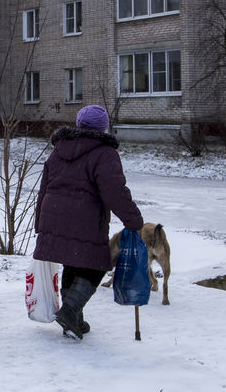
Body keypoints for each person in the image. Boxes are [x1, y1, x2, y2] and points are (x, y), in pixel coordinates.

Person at [33, 105, 144, 339]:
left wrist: (39, 222)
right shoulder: (104, 153)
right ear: (103, 127)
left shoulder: (59, 149)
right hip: (85, 219)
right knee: (96, 264)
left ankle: (74, 318)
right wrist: (133, 219)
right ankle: (71, 311)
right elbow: (114, 191)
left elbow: (43, 188)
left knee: (72, 262)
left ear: (79, 124)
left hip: (53, 215)